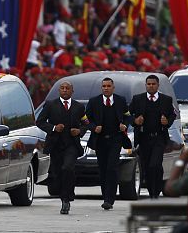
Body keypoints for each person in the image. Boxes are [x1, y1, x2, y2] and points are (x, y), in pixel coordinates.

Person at [36, 81, 88, 214]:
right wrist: (53, 128)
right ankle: (64, 193)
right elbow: (40, 121)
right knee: (58, 172)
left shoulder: (78, 107)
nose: (65, 90)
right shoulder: (50, 105)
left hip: (71, 144)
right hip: (55, 145)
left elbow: (86, 123)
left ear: (72, 91)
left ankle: (66, 199)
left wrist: (79, 131)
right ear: (59, 90)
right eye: (62, 88)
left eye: (67, 88)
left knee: (68, 167)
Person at [85, 77, 132, 210]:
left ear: (113, 87)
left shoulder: (120, 100)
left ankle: (109, 199)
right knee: (103, 169)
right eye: (104, 86)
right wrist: (94, 127)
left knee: (112, 167)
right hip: (100, 140)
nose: (106, 88)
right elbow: (86, 119)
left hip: (116, 138)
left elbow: (128, 116)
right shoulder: (94, 101)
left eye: (108, 86)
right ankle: (105, 195)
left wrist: (124, 124)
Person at [129, 74, 177, 199]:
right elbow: (128, 115)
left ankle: (156, 191)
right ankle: (152, 192)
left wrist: (167, 121)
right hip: (144, 137)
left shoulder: (166, 99)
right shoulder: (138, 99)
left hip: (159, 137)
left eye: (153, 84)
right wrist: (135, 121)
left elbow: (172, 115)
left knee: (155, 164)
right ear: (145, 85)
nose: (151, 86)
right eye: (148, 84)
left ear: (158, 85)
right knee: (146, 166)